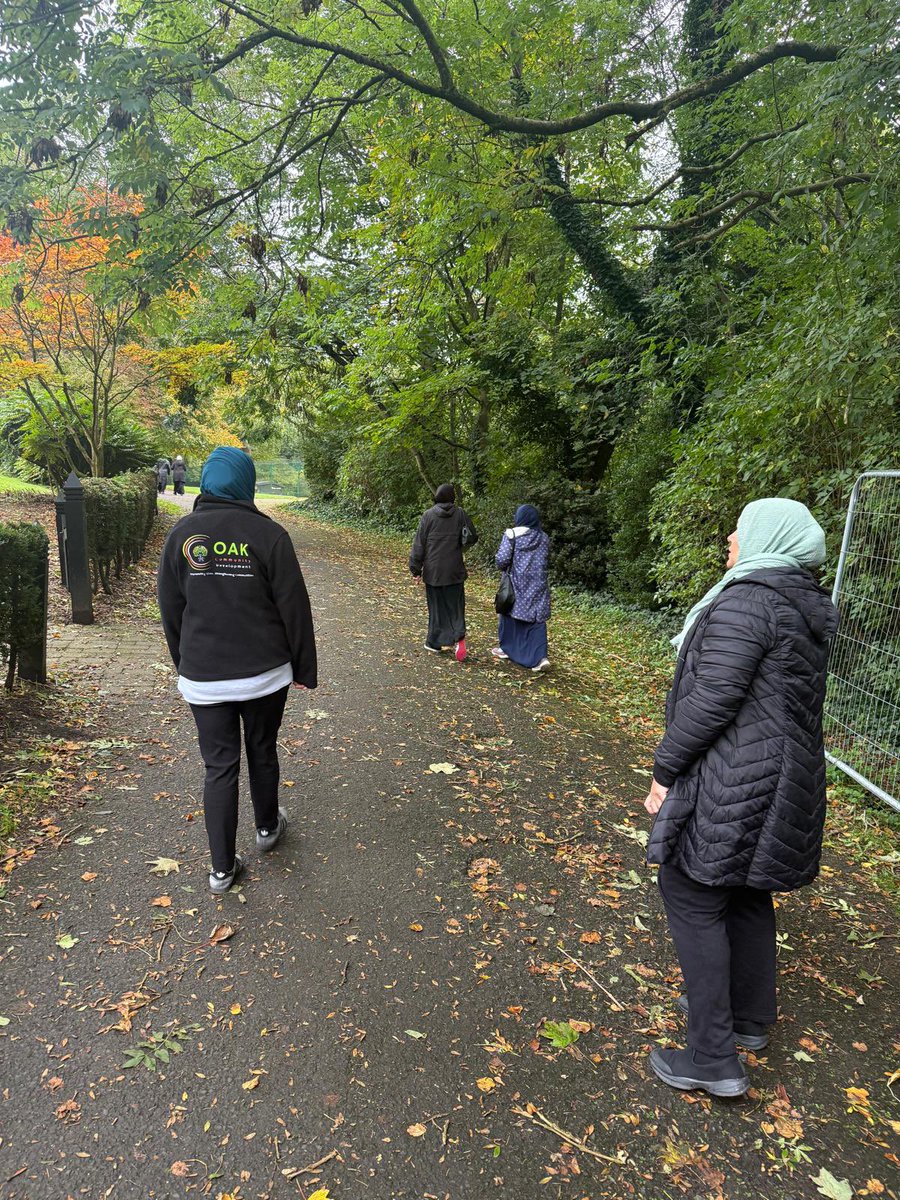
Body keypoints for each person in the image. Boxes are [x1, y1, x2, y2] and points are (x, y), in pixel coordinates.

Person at [642, 498, 838, 1097]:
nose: (730, 536)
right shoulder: (798, 603)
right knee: (748, 889)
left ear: (767, 539)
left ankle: (711, 1058)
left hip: (740, 776)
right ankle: (749, 1019)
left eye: (741, 527)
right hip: (784, 776)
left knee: (691, 891)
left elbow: (712, 700)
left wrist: (664, 771)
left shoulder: (748, 600)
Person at [157, 446, 317, 894]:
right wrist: (304, 667)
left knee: (219, 766)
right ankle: (268, 830)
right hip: (265, 673)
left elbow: (171, 609)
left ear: (206, 481)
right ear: (246, 483)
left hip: (204, 676)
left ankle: (221, 872)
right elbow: (295, 610)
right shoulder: (269, 536)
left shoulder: (182, 535)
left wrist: (184, 660)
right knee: (262, 749)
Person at [409, 483, 478, 661]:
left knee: (436, 608)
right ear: (452, 497)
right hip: (455, 570)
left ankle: (434, 642)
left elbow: (419, 544)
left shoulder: (428, 516)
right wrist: (460, 548)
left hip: (433, 572)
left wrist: (415, 569)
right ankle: (459, 638)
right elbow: (473, 536)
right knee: (456, 607)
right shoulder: (460, 514)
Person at [491, 504, 551, 672]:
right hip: (538, 583)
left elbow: (502, 560)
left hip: (516, 582)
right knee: (536, 619)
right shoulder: (544, 537)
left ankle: (507, 648)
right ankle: (540, 658)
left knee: (509, 611)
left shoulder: (512, 535)